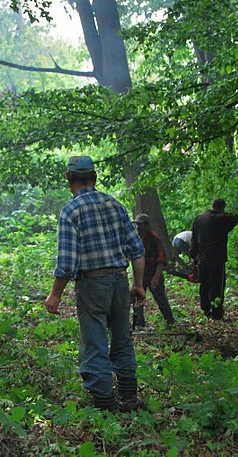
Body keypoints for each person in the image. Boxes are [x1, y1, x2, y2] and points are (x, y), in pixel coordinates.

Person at [44, 156, 147, 412]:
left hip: (92, 284)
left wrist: (55, 295)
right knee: (123, 339)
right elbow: (137, 249)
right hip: (120, 280)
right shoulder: (115, 205)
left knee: (95, 342)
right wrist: (139, 284)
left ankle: (104, 404)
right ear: (94, 178)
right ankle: (129, 398)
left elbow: (67, 261)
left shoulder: (71, 211)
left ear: (69, 180)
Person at [189, 198, 238, 320]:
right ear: (222, 208)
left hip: (202, 258)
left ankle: (205, 310)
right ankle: (217, 313)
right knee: (216, 286)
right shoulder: (221, 219)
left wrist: (193, 257)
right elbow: (235, 218)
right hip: (217, 258)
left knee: (205, 285)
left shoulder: (199, 219)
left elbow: (194, 240)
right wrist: (222, 214)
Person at [132, 214, 175, 329]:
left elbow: (161, 260)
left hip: (153, 272)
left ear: (146, 225)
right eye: (136, 225)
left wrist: (156, 277)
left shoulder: (155, 239)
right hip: (141, 273)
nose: (138, 227)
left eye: (140, 224)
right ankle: (139, 324)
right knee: (138, 299)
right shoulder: (136, 238)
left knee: (160, 298)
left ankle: (170, 321)